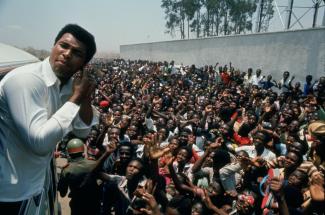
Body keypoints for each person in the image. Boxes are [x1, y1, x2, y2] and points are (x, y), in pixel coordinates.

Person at [0, 24, 98, 213]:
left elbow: (83, 130)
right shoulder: (27, 80)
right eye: (63, 46)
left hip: (35, 188)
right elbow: (39, 143)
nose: (67, 54)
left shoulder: (69, 86)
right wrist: (76, 98)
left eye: (76, 53)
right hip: (9, 193)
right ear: (53, 46)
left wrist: (84, 97)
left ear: (83, 65)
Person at [58, 138, 101, 215]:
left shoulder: (66, 170)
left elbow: (62, 194)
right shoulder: (93, 163)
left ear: (68, 153)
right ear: (83, 152)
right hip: (94, 204)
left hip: (77, 206)